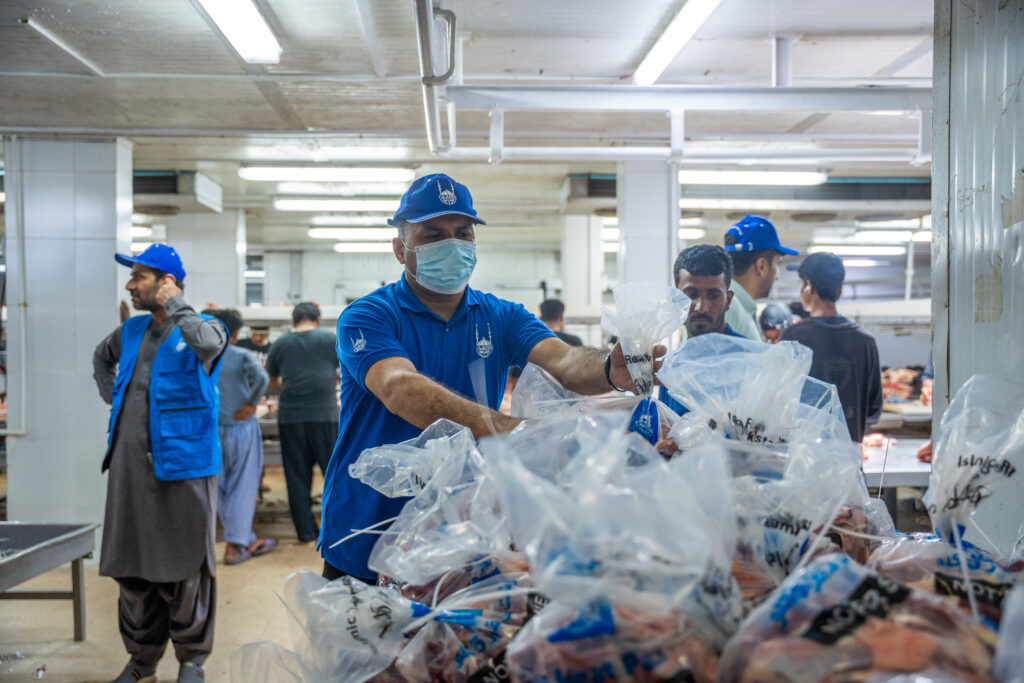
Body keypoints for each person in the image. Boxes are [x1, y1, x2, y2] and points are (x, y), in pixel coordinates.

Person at [319, 173, 649, 583]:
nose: (452, 243)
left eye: (463, 233)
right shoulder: (369, 315)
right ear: (400, 250)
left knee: (454, 644)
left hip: (458, 530)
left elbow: (564, 360)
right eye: (434, 233)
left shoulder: (500, 316)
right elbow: (399, 388)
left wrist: (607, 368)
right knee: (363, 644)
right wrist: (508, 429)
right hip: (368, 526)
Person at [92, 244, 227, 683]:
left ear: (168, 282)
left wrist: (176, 305)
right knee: (132, 570)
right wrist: (113, 395)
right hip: (129, 472)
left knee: (186, 571)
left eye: (140, 277)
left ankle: (192, 662)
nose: (131, 286)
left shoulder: (205, 327)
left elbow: (207, 347)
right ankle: (141, 662)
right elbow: (101, 358)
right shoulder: (129, 331)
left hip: (183, 472)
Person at [780, 252, 883, 442]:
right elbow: (873, 410)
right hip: (848, 460)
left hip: (803, 462)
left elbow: (778, 402)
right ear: (840, 291)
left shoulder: (794, 337)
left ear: (808, 287)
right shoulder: (865, 342)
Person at [207, 308, 276, 565]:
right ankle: (236, 546)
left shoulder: (202, 355)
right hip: (240, 427)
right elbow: (262, 377)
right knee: (243, 486)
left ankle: (241, 537)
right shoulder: (238, 354)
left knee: (220, 487)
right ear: (234, 333)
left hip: (211, 430)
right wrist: (251, 402)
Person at [266, 302, 340, 543]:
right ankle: (335, 527)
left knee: (297, 475)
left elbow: (273, 382)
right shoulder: (330, 340)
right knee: (332, 473)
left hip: (290, 416)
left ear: (293, 320)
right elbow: (344, 373)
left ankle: (306, 532)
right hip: (325, 414)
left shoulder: (281, 343)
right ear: (317, 319)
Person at [658, 244, 748, 415]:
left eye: (713, 296)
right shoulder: (670, 367)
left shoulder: (752, 361)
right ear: (676, 300)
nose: (701, 307)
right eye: (691, 295)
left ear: (728, 301)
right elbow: (665, 427)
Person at [723, 215, 798, 341]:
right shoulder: (729, 310)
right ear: (761, 266)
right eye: (777, 265)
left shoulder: (737, 309)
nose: (777, 276)